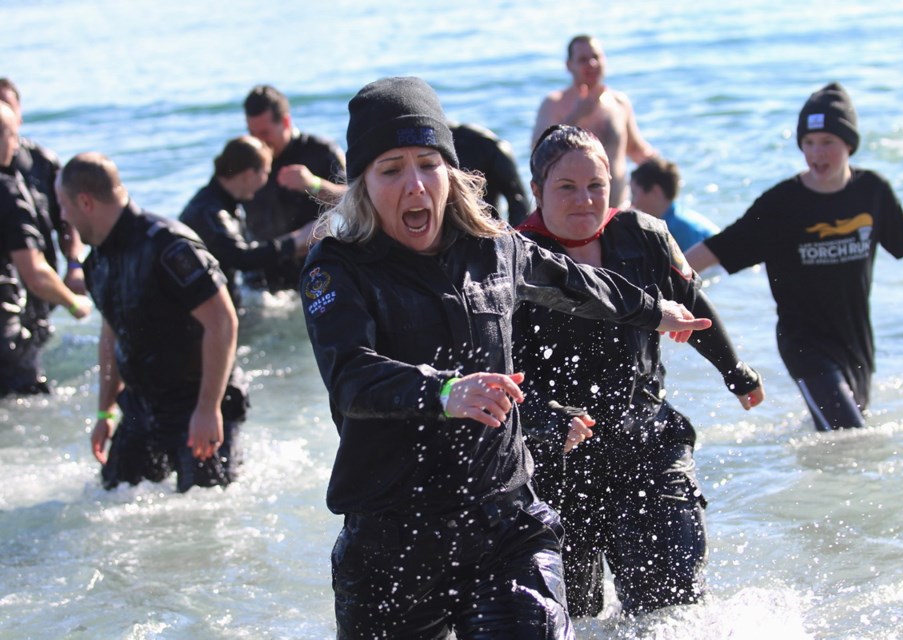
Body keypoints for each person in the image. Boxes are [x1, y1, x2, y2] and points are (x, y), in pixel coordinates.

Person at [299, 76, 711, 638]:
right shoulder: (337, 267)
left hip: (505, 526)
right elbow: (349, 374)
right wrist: (444, 391)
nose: (415, 184)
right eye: (391, 169)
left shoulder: (493, 247)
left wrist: (654, 311)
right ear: (364, 185)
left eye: (428, 163)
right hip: (393, 544)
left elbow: (575, 284)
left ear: (449, 171)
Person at [514, 124, 764, 617]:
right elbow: (494, 373)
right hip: (556, 464)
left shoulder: (644, 235)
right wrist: (544, 418)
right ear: (537, 191)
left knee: (672, 606)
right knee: (576, 618)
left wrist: (734, 371)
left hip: (647, 441)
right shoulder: (513, 261)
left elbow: (692, 306)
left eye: (596, 186)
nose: (584, 200)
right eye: (567, 187)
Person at [686, 82, 903, 431]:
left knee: (841, 438)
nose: (817, 153)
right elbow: (716, 249)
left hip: (856, 340)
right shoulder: (780, 204)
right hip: (804, 342)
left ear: (849, 144)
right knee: (850, 433)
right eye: (809, 143)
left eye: (828, 142)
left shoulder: (872, 192)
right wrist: (652, 278)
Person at [56, 152, 248, 492]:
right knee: (112, 494)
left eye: (63, 206)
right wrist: (104, 413)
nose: (62, 216)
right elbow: (110, 335)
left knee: (206, 510)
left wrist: (207, 409)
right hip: (142, 405)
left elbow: (222, 321)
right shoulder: (97, 260)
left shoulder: (168, 245)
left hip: (197, 401)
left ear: (85, 202)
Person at [0, 101, 92, 397]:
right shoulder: (7, 191)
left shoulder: (41, 164)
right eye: (13, 136)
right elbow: (35, 273)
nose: (17, 147)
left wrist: (74, 263)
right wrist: (74, 304)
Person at [180, 135, 314, 311]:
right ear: (249, 175)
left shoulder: (225, 201)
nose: (267, 179)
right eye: (266, 172)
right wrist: (297, 239)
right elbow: (241, 257)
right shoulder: (210, 212)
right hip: (201, 309)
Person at [532, 35, 657, 209]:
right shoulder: (554, 104)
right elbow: (537, 153)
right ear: (569, 65)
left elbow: (636, 150)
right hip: (574, 212)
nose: (591, 64)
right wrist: (576, 115)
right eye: (583, 59)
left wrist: (664, 170)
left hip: (618, 208)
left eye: (596, 57)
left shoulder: (618, 102)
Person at [243, 84, 347, 292]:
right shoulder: (248, 159)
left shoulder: (320, 150)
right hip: (264, 270)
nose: (258, 142)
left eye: (264, 134)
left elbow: (355, 200)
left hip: (315, 267)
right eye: (252, 133)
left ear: (286, 122)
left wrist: (313, 184)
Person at [630, 156, 719, 251]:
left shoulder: (680, 229)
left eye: (634, 194)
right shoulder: (674, 217)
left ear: (655, 192)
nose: (632, 202)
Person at [449, 120, 530, 225]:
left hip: (487, 232)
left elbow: (519, 204)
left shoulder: (486, 145)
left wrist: (513, 239)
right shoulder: (487, 144)